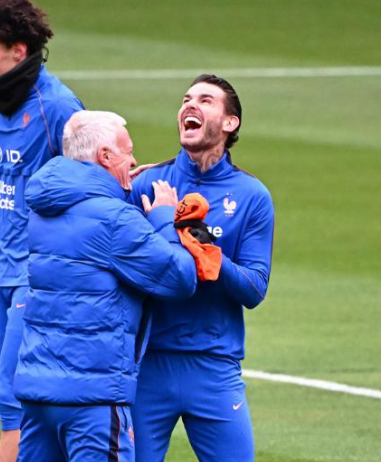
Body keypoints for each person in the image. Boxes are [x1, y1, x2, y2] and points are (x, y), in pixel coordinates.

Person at [13, 110, 198, 462]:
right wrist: (163, 217)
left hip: (38, 392)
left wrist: (118, 192)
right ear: (105, 156)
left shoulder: (44, 207)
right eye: (128, 152)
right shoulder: (115, 218)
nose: (135, 161)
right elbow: (179, 278)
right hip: (92, 398)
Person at [0, 1, 84, 459]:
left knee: (11, 399)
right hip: (3, 278)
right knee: (30, 405)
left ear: (18, 50)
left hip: (42, 276)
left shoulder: (59, 108)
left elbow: (89, 193)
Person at [129, 75, 275, 462]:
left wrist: (208, 253)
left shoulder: (252, 196)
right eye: (186, 99)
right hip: (147, 366)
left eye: (206, 100)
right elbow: (125, 270)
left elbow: (254, 289)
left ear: (230, 122)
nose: (190, 105)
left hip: (214, 367)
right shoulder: (147, 185)